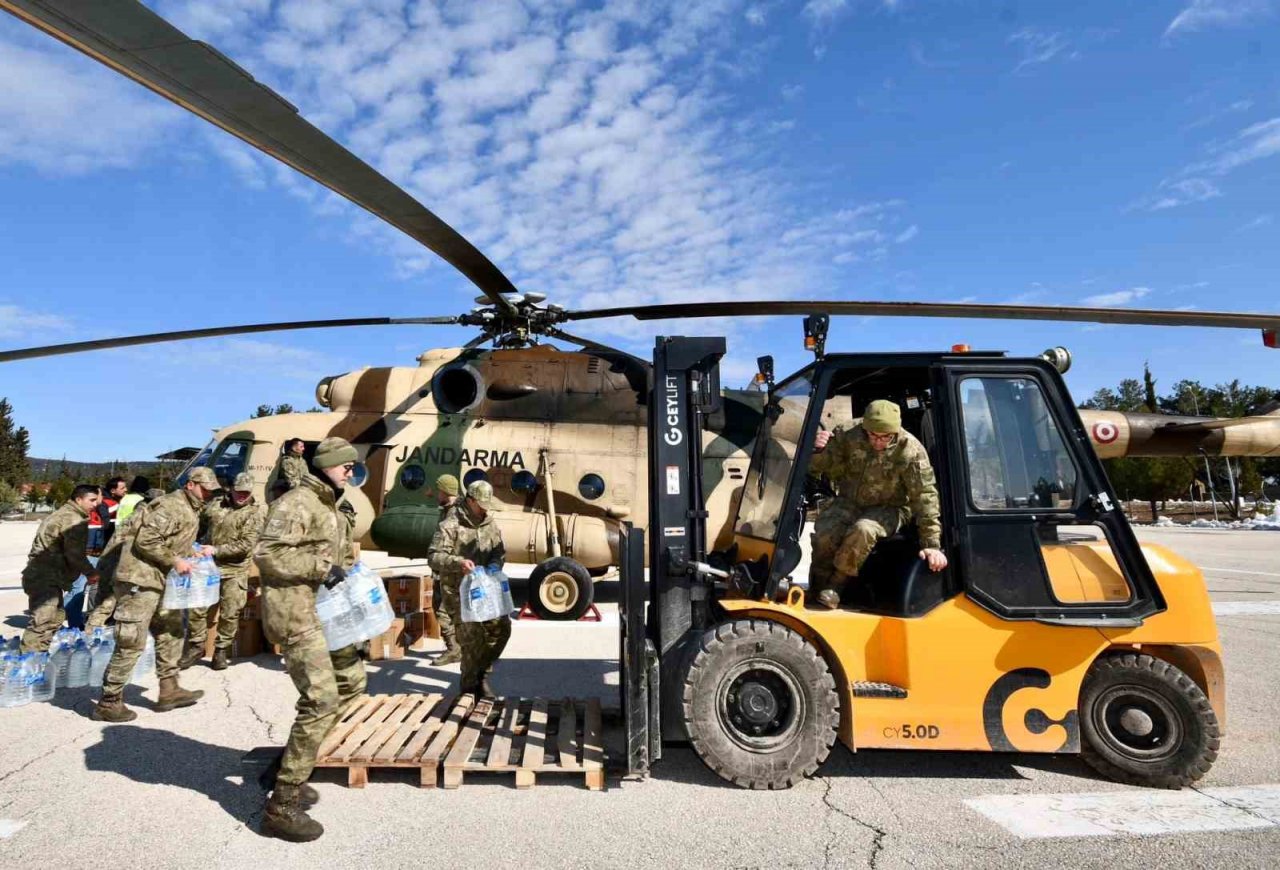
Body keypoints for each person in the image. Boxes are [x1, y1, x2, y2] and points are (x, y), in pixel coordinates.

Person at [254, 437, 365, 842]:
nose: (351, 470)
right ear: (325, 466)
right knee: (321, 699)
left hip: (324, 612)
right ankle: (281, 805)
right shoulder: (298, 502)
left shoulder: (327, 502)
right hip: (295, 612)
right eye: (345, 465)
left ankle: (288, 763)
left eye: (353, 465)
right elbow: (267, 555)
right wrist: (321, 567)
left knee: (352, 682)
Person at [91, 467, 220, 722]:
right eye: (205, 489)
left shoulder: (190, 507)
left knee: (171, 630)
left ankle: (169, 689)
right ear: (191, 484)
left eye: (212, 491)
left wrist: (189, 553)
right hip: (140, 579)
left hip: (160, 581)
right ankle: (109, 701)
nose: (208, 494)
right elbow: (146, 540)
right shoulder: (171, 505)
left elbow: (169, 540)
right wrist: (175, 560)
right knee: (131, 639)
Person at [808, 399, 947, 609]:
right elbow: (822, 468)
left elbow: (925, 496)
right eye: (873, 435)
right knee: (825, 531)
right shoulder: (847, 433)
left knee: (863, 530)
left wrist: (931, 545)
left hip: (892, 508)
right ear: (865, 427)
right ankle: (817, 587)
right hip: (850, 501)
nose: (878, 442)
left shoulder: (911, 450)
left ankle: (837, 585)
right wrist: (818, 450)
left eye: (885, 437)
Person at [429, 480, 508, 698]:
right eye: (480, 504)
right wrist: (458, 563)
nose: (484, 509)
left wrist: (495, 564)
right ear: (470, 500)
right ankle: (469, 688)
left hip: (484, 588)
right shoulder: (450, 524)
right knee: (472, 638)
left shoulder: (489, 523)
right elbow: (434, 556)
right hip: (458, 591)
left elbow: (498, 550)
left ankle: (481, 673)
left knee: (501, 629)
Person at [20, 484, 101, 652]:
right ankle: (27, 662)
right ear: (79, 499)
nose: (95, 504)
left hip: (48, 575)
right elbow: (74, 554)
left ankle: (39, 657)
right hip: (45, 575)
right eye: (92, 500)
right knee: (42, 622)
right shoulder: (73, 519)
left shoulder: (65, 514)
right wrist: (90, 572)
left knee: (54, 618)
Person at [207, 473, 267, 671]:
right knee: (199, 608)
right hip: (209, 565)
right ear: (231, 489)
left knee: (230, 611)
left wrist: (216, 550)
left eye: (246, 493)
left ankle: (220, 650)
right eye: (239, 492)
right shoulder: (216, 505)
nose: (242, 496)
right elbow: (200, 524)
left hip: (235, 568)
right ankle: (196, 644)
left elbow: (245, 545)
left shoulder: (255, 513)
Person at [84, 487, 162, 632]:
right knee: (109, 602)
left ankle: (91, 630)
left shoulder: (134, 515)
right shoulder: (147, 518)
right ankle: (92, 632)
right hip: (122, 566)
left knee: (103, 601)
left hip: (108, 562)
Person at [431, 474, 463, 666]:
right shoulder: (451, 508)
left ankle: (454, 648)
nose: (436, 494)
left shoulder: (453, 514)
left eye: (438, 490)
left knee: (442, 610)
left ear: (445, 491)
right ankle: (458, 644)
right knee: (450, 608)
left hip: (449, 568)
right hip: (451, 566)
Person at [101, 476, 127, 547]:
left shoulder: (119, 500)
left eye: (125, 487)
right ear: (113, 491)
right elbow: (105, 523)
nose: (126, 490)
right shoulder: (103, 502)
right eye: (122, 488)